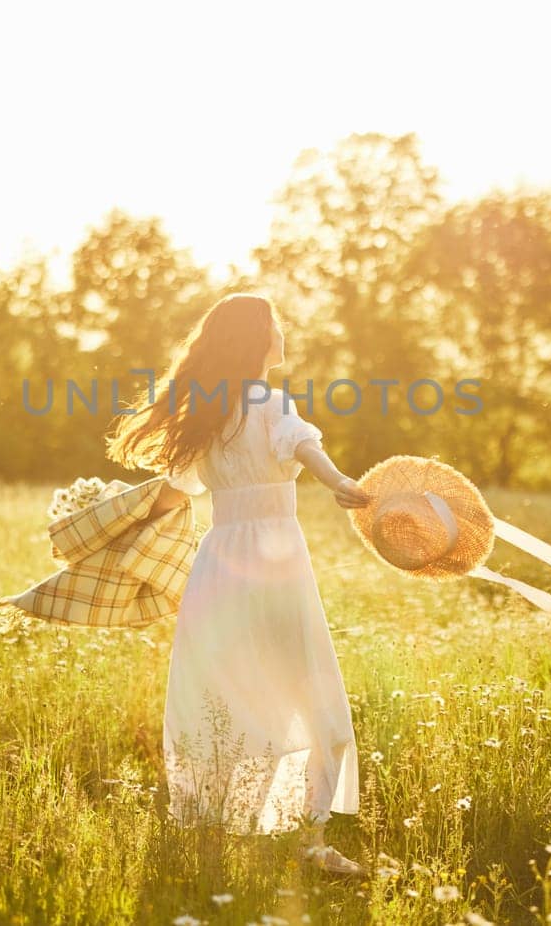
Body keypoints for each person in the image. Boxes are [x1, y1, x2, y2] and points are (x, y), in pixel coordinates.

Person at [105, 293, 370, 876]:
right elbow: (303, 444)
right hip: (274, 562)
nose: (284, 332)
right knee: (304, 682)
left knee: (219, 689)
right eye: (276, 325)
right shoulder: (271, 402)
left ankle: (213, 837)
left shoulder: (205, 413)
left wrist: (112, 527)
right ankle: (311, 844)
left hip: (221, 560)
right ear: (258, 342)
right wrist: (336, 479)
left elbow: (174, 494)